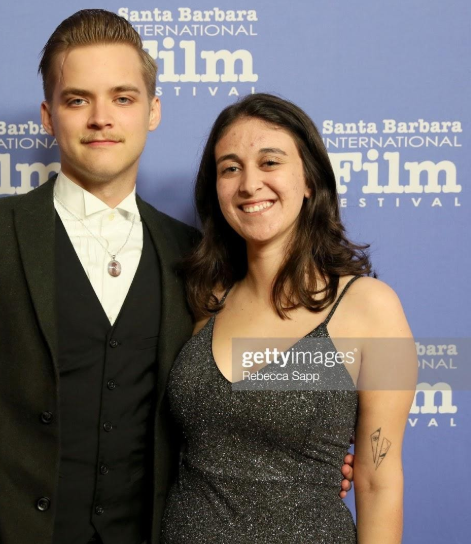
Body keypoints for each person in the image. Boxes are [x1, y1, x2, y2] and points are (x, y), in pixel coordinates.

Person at [0, 10, 354, 544]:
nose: (101, 118)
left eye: (122, 97)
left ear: (152, 110)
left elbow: (257, 375)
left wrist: (307, 457)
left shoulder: (195, 257)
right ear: (49, 116)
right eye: (77, 100)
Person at [161, 94, 417, 543]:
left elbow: (379, 481)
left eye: (270, 162)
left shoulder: (372, 308)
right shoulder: (203, 302)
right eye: (230, 168)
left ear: (309, 182)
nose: (249, 184)